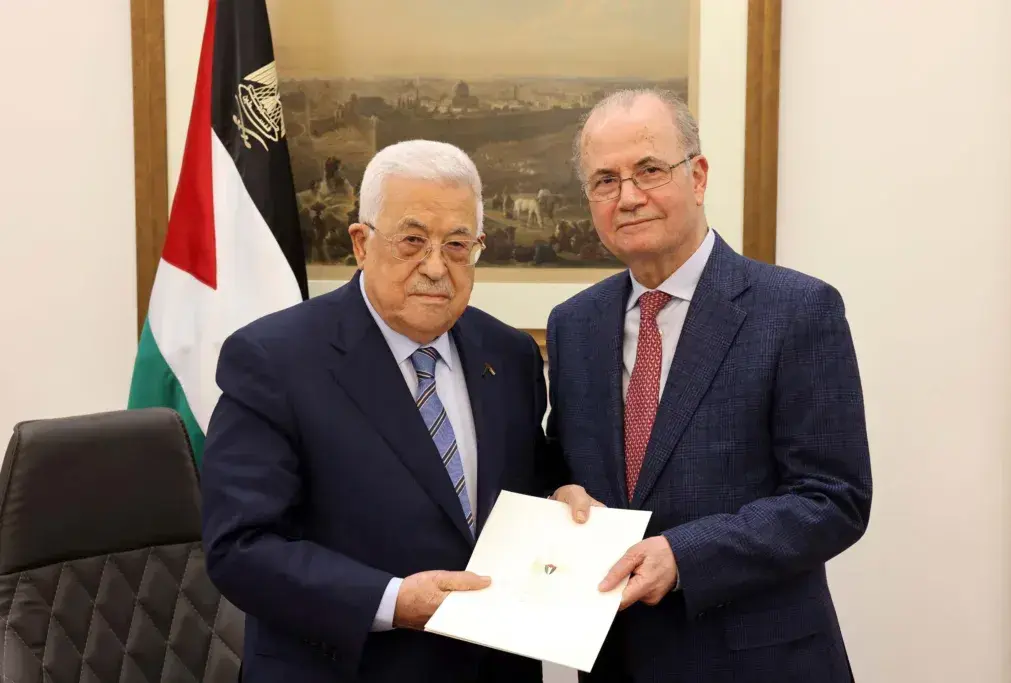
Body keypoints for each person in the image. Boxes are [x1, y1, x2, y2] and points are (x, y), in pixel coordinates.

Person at [545, 89, 872, 682]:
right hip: (617, 662)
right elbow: (559, 464)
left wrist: (685, 556)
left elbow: (834, 500)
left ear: (697, 177)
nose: (629, 197)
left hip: (758, 663)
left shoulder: (798, 310)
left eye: (649, 170)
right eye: (605, 180)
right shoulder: (573, 325)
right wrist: (559, 493)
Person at [201, 139, 556, 683]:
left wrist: (561, 496)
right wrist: (393, 601)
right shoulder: (274, 360)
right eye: (412, 240)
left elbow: (523, 489)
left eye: (457, 245)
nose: (436, 267)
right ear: (361, 243)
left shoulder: (509, 355)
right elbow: (241, 548)